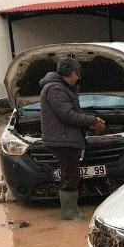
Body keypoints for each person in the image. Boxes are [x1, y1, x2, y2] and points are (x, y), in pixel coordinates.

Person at [39, 57, 105, 220]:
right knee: (70, 175)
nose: (78, 79)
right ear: (74, 74)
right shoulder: (55, 89)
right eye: (78, 75)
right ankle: (69, 215)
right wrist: (92, 120)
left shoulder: (61, 87)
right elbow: (67, 115)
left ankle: (72, 211)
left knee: (71, 174)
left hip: (65, 138)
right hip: (62, 140)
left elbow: (70, 113)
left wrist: (89, 124)